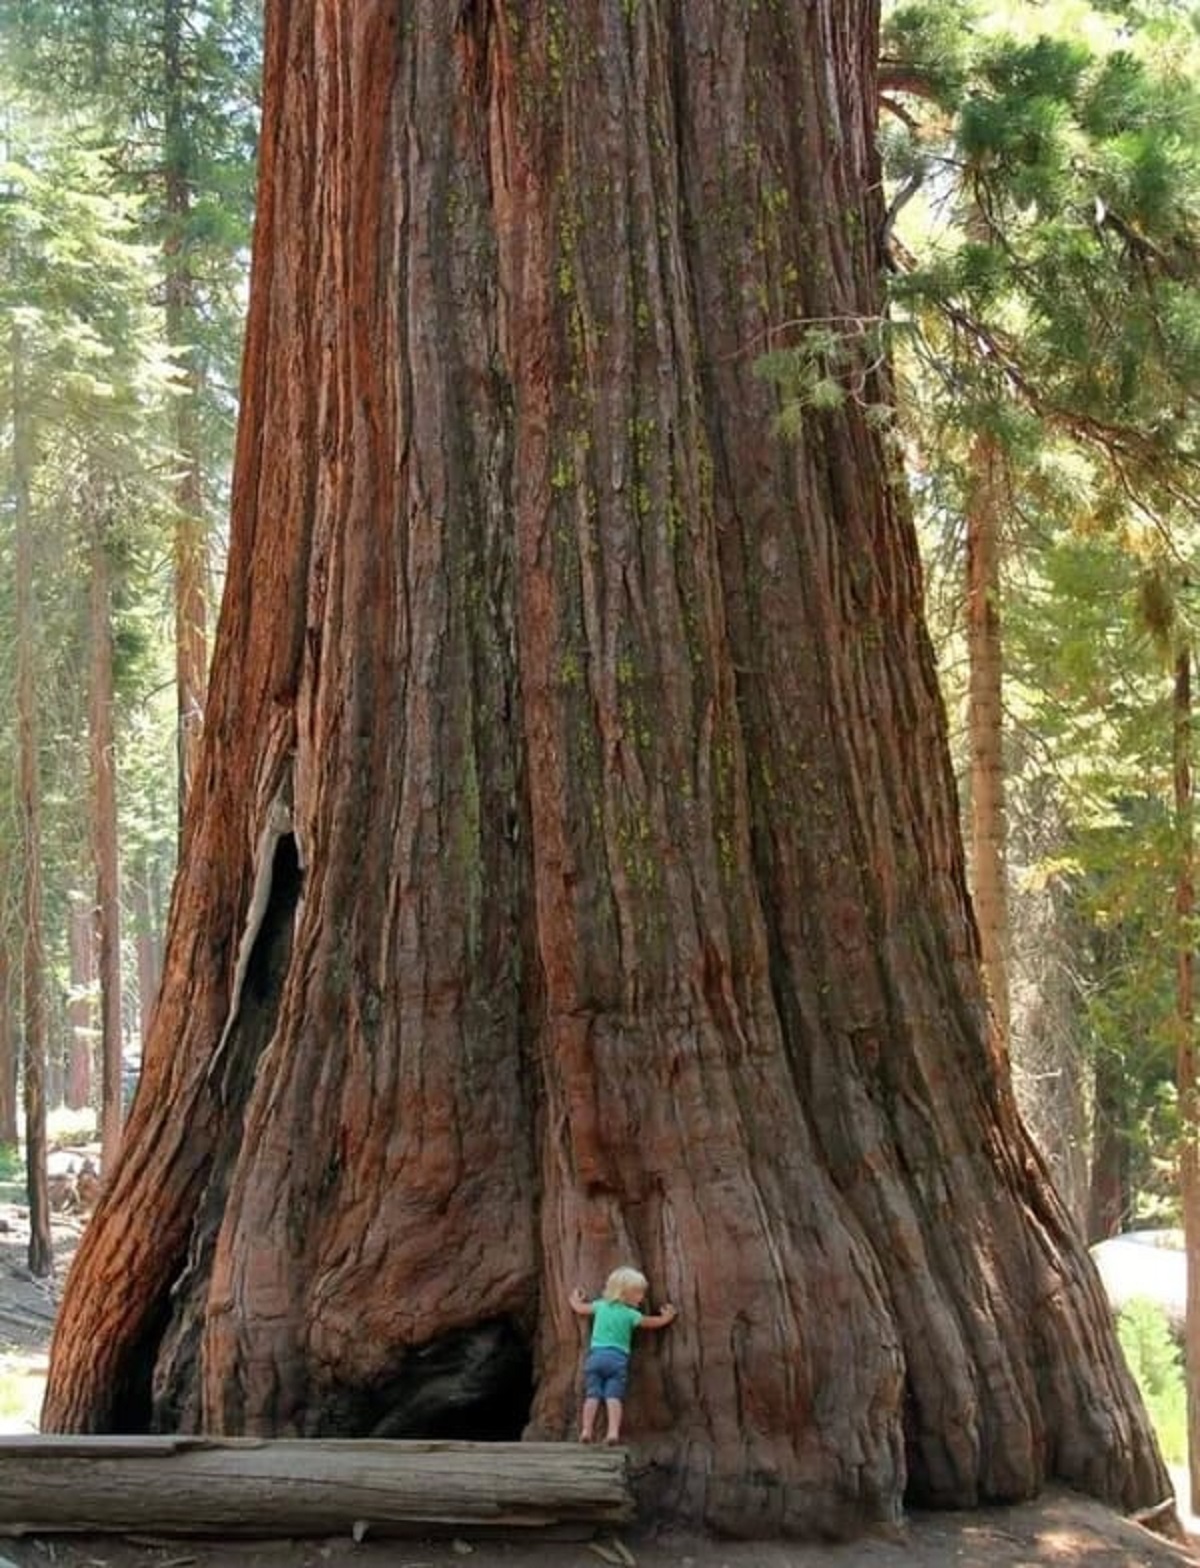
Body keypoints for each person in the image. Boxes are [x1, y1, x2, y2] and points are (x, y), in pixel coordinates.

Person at [569, 1265, 677, 1444]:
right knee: (613, 1397)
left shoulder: (600, 1306)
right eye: (639, 1294)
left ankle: (587, 1430)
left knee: (592, 1395)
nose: (642, 1298)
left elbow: (580, 1309)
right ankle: (612, 1433)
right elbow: (651, 1323)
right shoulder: (631, 1314)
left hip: (595, 1358)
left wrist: (575, 1299)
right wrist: (666, 1318)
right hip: (617, 1361)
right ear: (625, 1293)